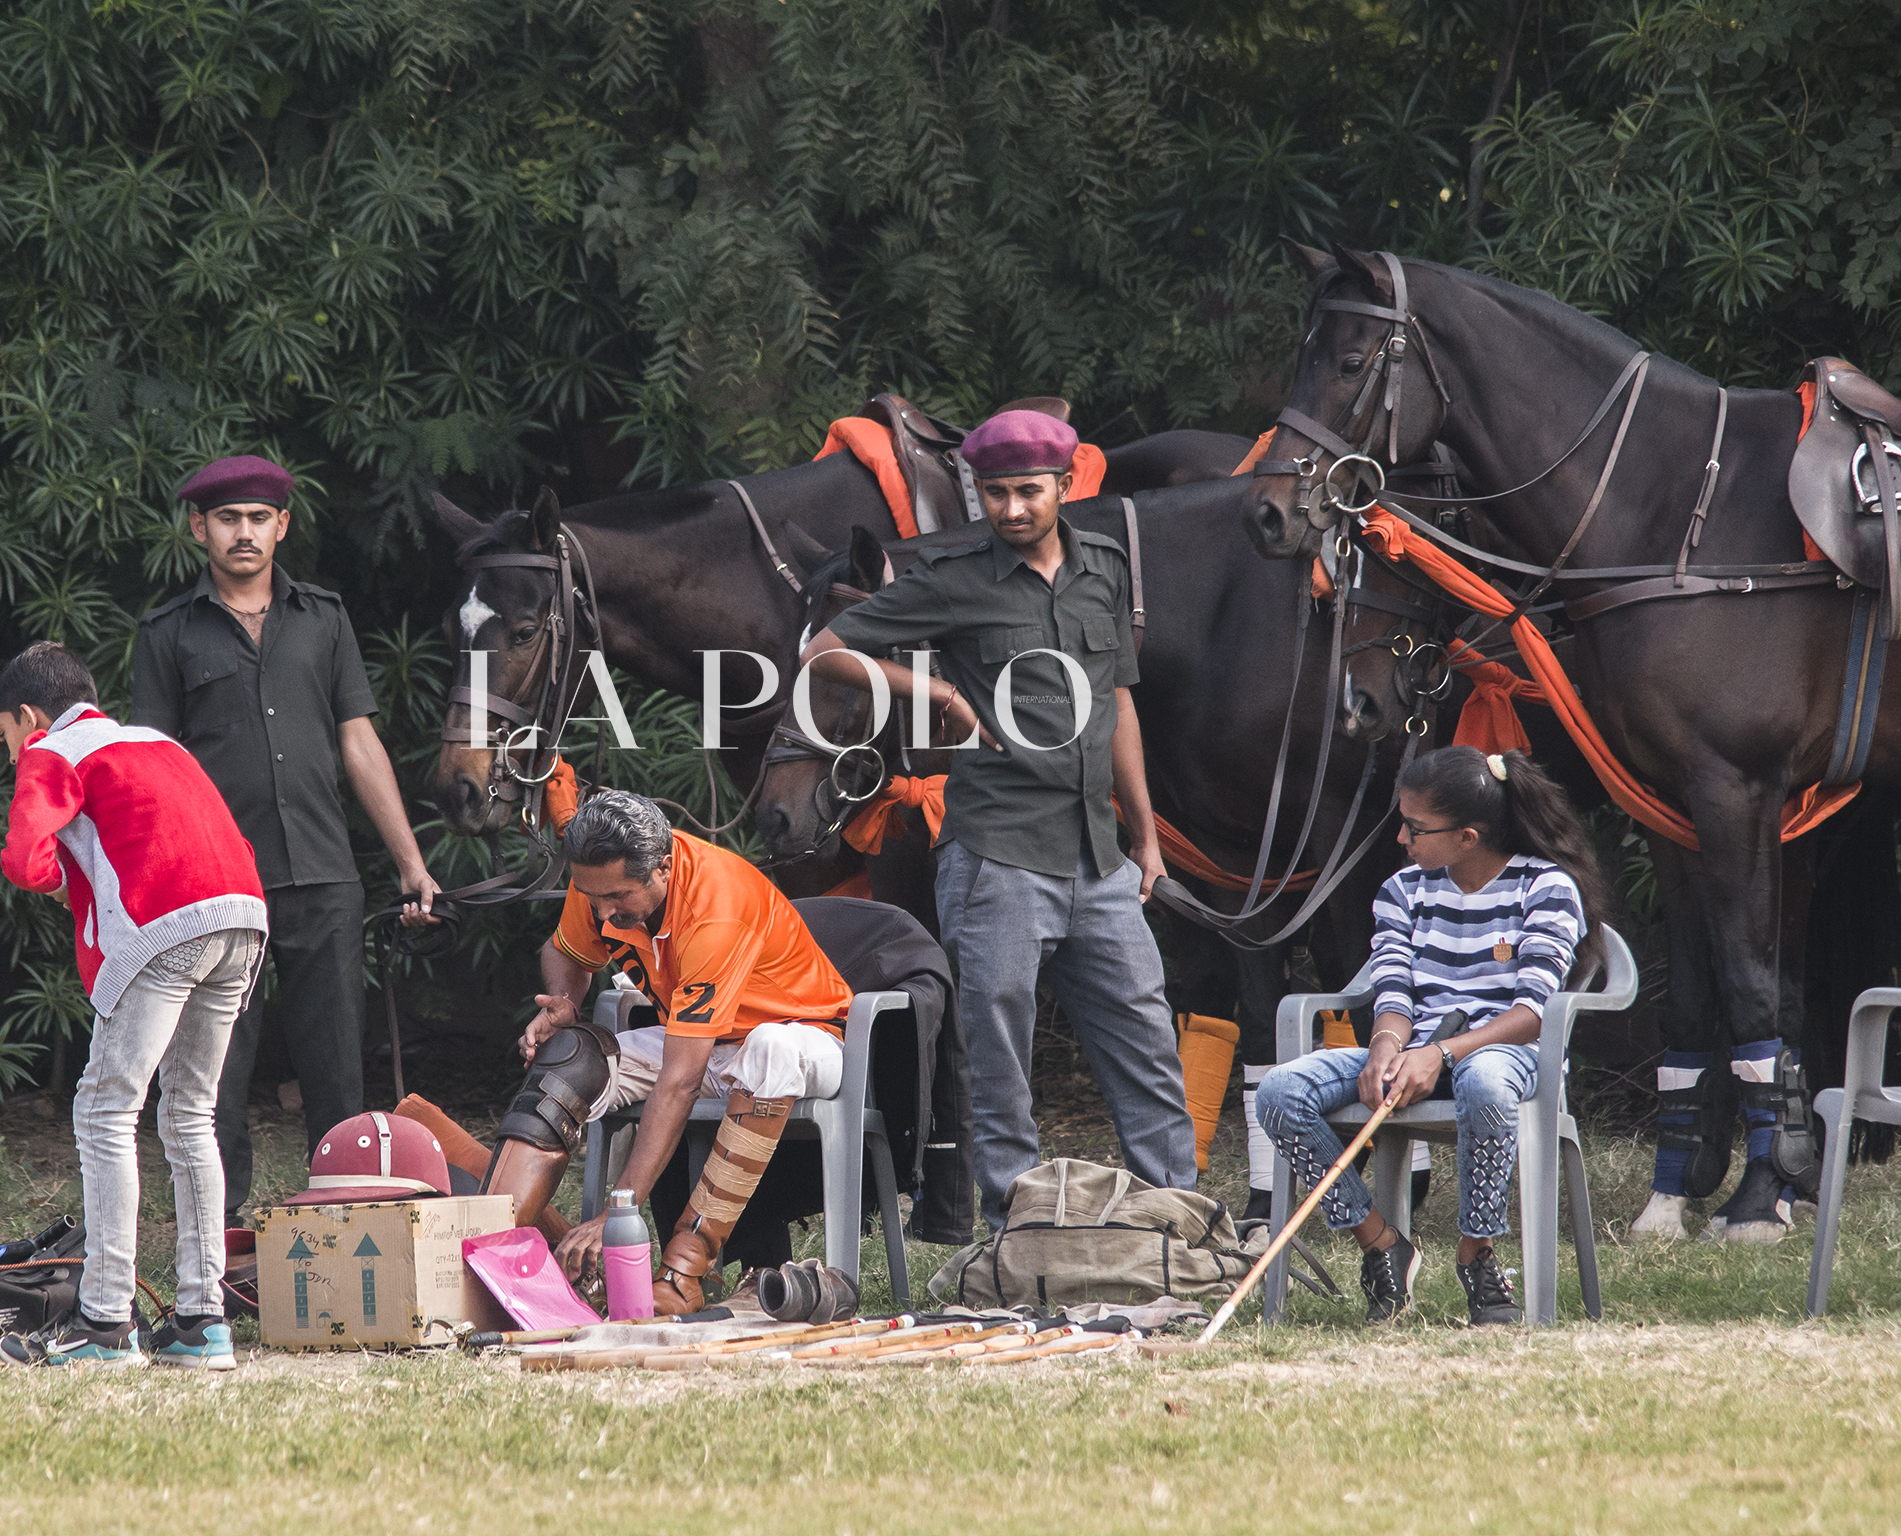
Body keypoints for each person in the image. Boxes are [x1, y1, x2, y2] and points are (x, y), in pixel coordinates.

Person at [801, 409, 1192, 1230]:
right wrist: (937, 691)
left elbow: (1117, 700)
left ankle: (1178, 1222)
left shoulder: (1106, 570)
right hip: (998, 857)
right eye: (994, 494)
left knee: (1148, 1046)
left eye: (1026, 492)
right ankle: (1018, 1232)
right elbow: (823, 652)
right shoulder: (954, 579)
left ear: (1061, 487)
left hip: (1098, 855)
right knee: (1000, 1062)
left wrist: (1147, 837)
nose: (1011, 509)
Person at [130, 454, 438, 1224]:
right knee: (213, 1080)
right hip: (214, 888)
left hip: (324, 877)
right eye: (227, 518)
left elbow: (359, 743)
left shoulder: (323, 618)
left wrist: (411, 865)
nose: (244, 532)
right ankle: (218, 1247)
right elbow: (152, 769)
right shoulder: (168, 632)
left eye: (258, 518)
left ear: (283, 526)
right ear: (199, 528)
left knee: (336, 1074)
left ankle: (348, 1231)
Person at [1255, 746, 1612, 1326]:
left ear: (1468, 837)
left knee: (1485, 1082)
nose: (1401, 838)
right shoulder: (1403, 891)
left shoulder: (1545, 887)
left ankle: (1477, 1254)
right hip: (1417, 1048)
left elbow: (1535, 1012)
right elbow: (1393, 990)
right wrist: (1384, 1049)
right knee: (1279, 1094)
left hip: (1508, 1053)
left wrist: (1440, 1052)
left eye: (1416, 828)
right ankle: (1381, 1244)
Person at [0, 643, 267, 1369]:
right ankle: (202, 1323)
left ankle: (105, 1323)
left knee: (106, 1109)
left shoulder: (53, 748)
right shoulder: (152, 738)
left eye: (10, 734)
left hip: (165, 923)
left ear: (27, 716)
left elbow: (23, 859)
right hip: (241, 914)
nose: (16, 749)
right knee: (189, 1114)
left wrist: (58, 883)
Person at [477, 791, 854, 1314]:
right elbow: (563, 951)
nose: (604, 912)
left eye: (619, 898)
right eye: (594, 898)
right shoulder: (597, 881)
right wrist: (565, 1006)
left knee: (771, 1047)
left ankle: (684, 1271)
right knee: (571, 1057)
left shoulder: (715, 905)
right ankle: (488, 1245)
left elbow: (680, 1079)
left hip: (806, 1038)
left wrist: (620, 1210)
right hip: (703, 1041)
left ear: (664, 867)